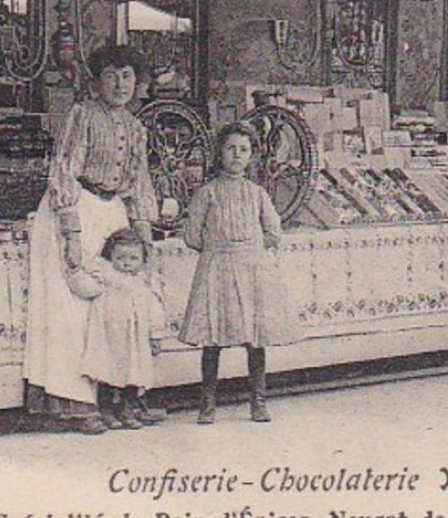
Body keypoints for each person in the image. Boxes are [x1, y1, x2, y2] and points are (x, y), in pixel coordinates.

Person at [23, 44, 158, 434]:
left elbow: (137, 184)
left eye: (128, 76)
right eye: (112, 75)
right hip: (72, 209)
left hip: (110, 211)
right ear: (97, 81)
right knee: (74, 306)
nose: (120, 84)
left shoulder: (136, 128)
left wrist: (143, 235)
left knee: (115, 309)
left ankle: (119, 398)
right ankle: (74, 403)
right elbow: (64, 169)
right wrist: (72, 233)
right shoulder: (82, 115)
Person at [179, 122, 301, 423]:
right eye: (230, 148)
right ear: (219, 152)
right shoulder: (208, 192)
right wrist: (219, 249)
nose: (236, 155)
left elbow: (273, 231)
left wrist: (251, 250)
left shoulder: (257, 193)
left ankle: (258, 401)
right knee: (212, 338)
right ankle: (207, 404)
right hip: (217, 268)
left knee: (255, 338)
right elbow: (192, 234)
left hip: (251, 269)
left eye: (243, 150)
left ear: (252, 156)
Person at [72, 228, 167, 429]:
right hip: (110, 336)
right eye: (120, 257)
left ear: (142, 259)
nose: (126, 262)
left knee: (134, 371)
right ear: (110, 256)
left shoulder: (144, 282)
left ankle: (127, 409)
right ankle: (106, 410)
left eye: (133, 258)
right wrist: (74, 268)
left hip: (135, 337)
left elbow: (155, 309)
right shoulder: (105, 276)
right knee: (107, 371)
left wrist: (155, 335)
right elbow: (83, 284)